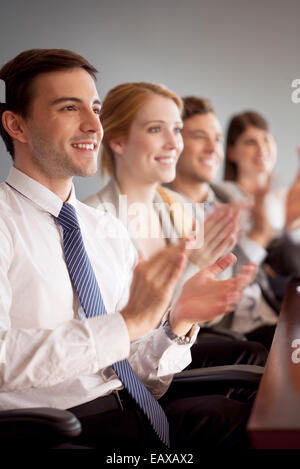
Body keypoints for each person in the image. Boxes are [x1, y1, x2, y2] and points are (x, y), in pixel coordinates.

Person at [0, 49, 257, 451]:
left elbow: (138, 371)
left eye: (95, 108)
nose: (92, 125)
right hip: (61, 434)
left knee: (262, 420)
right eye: (70, 107)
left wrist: (177, 322)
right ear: (16, 124)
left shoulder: (104, 228)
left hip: (133, 411)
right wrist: (126, 325)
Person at [84, 82, 267, 368]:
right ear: (118, 141)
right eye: (156, 129)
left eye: (177, 129)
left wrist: (215, 265)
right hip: (132, 369)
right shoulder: (94, 220)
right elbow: (125, 332)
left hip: (179, 348)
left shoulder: (180, 207)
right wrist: (195, 263)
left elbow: (210, 316)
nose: (174, 143)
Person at [167, 97, 280, 350]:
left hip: (264, 313)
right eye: (199, 136)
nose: (212, 148)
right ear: (175, 142)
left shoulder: (229, 197)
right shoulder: (159, 209)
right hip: (210, 332)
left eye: (217, 138)